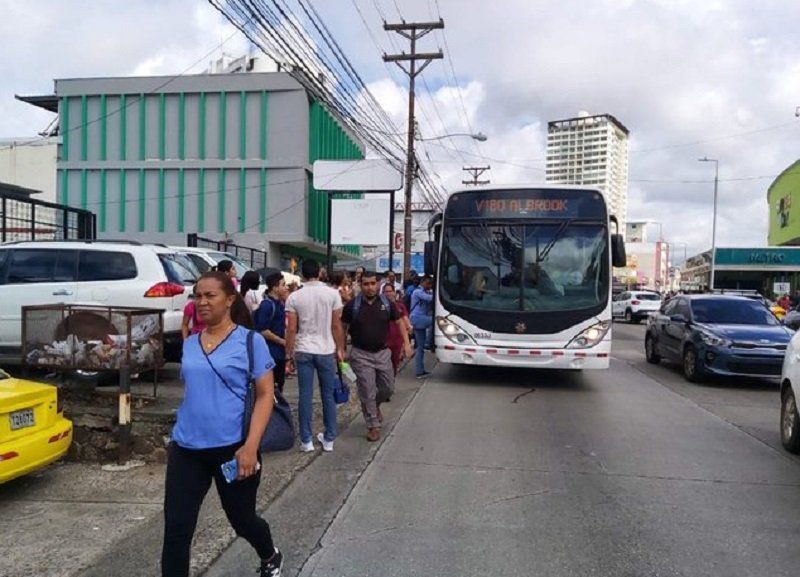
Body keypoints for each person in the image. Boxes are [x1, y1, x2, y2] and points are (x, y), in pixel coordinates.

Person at [162, 271, 283, 577]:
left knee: (242, 520)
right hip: (186, 448)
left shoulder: (251, 342)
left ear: (230, 300)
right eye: (197, 296)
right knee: (177, 528)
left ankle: (269, 554)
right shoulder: (190, 344)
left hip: (233, 449)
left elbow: (265, 395)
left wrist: (250, 447)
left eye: (210, 295)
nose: (202, 302)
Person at [342, 272, 413, 442]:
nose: (370, 287)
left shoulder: (387, 304)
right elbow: (342, 327)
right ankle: (373, 425)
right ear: (360, 285)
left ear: (378, 284)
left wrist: (407, 344)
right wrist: (341, 348)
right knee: (367, 390)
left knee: (388, 388)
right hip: (360, 354)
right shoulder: (353, 306)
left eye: (373, 283)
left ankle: (374, 406)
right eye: (366, 284)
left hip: (382, 353)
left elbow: (399, 323)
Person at [285, 259, 345, 453]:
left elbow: (291, 329)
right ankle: (329, 438)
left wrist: (289, 353)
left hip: (303, 348)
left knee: (305, 395)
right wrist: (340, 349)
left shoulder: (294, 297)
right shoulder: (332, 294)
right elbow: (336, 325)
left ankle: (306, 440)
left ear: (302, 274)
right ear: (319, 272)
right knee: (328, 394)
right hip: (326, 349)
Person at [254, 272, 289, 394]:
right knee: (270, 388)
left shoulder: (280, 304)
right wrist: (282, 341)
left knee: (279, 385)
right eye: (283, 285)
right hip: (270, 353)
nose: (286, 288)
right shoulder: (267, 305)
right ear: (274, 287)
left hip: (279, 353)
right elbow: (263, 330)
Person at [383, 283, 412, 375]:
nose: (388, 294)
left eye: (390, 291)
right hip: (383, 342)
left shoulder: (400, 306)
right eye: (386, 292)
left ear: (394, 293)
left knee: (394, 366)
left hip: (397, 342)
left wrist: (406, 344)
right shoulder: (379, 307)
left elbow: (406, 321)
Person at [409, 275, 434, 379]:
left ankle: (420, 371)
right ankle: (430, 343)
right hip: (417, 318)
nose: (429, 285)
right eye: (428, 283)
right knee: (436, 321)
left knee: (420, 347)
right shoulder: (417, 292)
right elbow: (430, 298)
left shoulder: (426, 292)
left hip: (421, 319)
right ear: (422, 282)